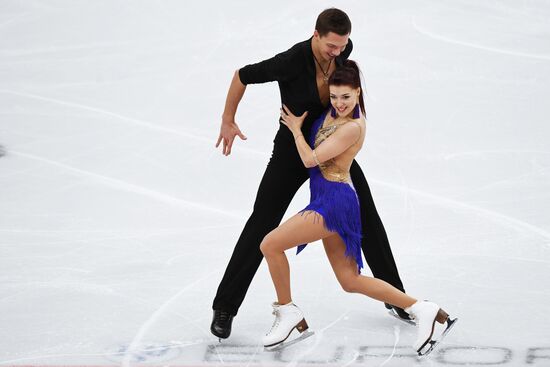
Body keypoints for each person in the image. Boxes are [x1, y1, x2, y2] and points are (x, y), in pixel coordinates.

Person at [212, 8, 410, 340]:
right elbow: (242, 75)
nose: (338, 52)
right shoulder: (291, 60)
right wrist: (228, 119)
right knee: (262, 221)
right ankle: (225, 307)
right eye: (332, 46)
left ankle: (397, 297)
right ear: (316, 35)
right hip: (293, 151)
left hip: (331, 150)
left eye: (342, 46)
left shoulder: (342, 49)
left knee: (367, 214)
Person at [260, 61, 457, 355]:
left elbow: (311, 160)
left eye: (346, 97)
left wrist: (296, 130)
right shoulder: (331, 110)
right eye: (335, 96)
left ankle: (288, 311)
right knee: (350, 281)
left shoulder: (353, 127)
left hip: (334, 204)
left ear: (358, 94)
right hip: (325, 198)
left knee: (270, 245)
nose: (339, 103)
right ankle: (422, 308)